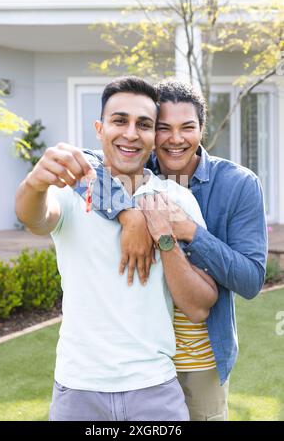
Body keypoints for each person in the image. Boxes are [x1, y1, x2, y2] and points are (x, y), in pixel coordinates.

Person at [15, 76, 218, 422]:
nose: (130, 133)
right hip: (78, 390)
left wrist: (163, 237)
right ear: (99, 128)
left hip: (155, 388)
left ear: (154, 137)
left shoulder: (178, 198)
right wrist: (34, 183)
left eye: (144, 125)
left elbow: (199, 307)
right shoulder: (70, 192)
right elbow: (34, 218)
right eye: (119, 120)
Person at [82, 78, 268, 421]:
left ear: (202, 129)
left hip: (199, 362)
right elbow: (81, 166)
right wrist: (130, 215)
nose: (176, 139)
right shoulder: (132, 169)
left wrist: (191, 232)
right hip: (140, 364)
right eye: (163, 128)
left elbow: (251, 280)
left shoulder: (238, 184)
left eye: (188, 127)